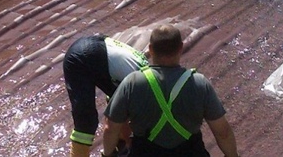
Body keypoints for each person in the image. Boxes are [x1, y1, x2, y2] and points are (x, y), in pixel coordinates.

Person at [102, 25, 239, 157]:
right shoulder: (200, 84)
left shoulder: (132, 82)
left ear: (151, 49)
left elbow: (111, 129)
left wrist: (107, 154)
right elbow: (223, 132)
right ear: (180, 48)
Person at [63, 34, 149, 157]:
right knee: (86, 122)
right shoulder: (142, 89)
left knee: (120, 109)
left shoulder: (146, 79)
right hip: (81, 58)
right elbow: (117, 120)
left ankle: (121, 142)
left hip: (96, 48)